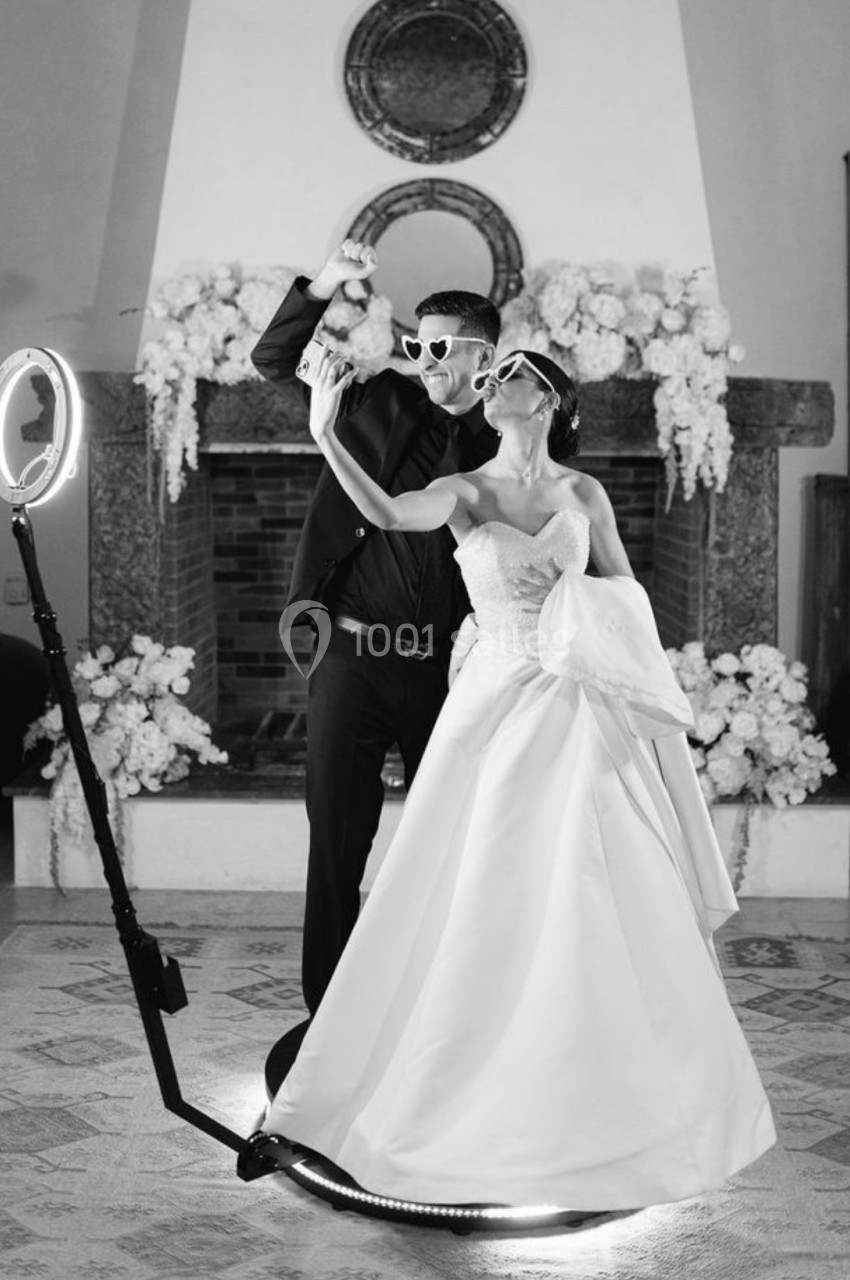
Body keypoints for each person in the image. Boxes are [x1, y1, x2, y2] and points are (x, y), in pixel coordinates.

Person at [261, 347, 777, 1211]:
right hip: (497, 701)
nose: (494, 386)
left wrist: (578, 608)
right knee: (483, 881)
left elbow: (629, 591)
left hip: (577, 704)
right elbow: (387, 511)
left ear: (551, 397)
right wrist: (324, 432)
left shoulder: (584, 495)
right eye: (490, 376)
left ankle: (594, 1094)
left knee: (589, 880)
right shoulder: (465, 491)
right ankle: (454, 1078)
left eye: (514, 375)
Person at [251, 240, 501, 1017]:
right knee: (336, 843)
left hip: (451, 673)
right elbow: (274, 357)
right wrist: (325, 284)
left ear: (484, 356)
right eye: (416, 342)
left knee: (450, 845)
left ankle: (436, 1008)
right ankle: (327, 1018)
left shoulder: (517, 435)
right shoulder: (372, 401)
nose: (422, 357)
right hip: (352, 659)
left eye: (439, 346)